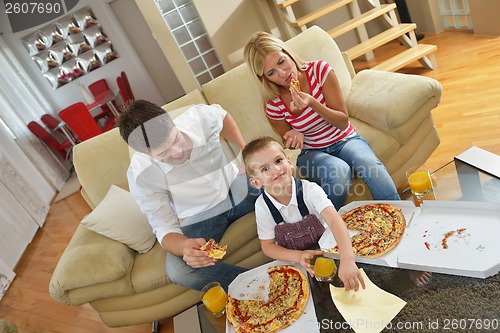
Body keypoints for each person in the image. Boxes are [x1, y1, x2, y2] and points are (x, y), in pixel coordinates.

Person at [244, 32, 431, 287]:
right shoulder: (274, 103)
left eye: (281, 62)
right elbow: (286, 139)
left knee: (370, 166)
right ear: (264, 78)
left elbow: (342, 120)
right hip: (313, 152)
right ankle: (335, 244)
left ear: (287, 54)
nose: (282, 73)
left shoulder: (320, 71)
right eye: (271, 73)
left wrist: (311, 104)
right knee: (339, 172)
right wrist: (293, 134)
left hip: (345, 138)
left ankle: (407, 247)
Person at [117, 100, 260, 291]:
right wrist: (184, 246)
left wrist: (245, 152)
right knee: (179, 271)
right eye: (164, 153)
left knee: (287, 186)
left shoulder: (199, 118)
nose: (178, 152)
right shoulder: (141, 175)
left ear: (172, 123)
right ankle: (258, 286)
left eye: (176, 140)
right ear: (147, 154)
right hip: (201, 217)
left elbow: (222, 116)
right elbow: (163, 226)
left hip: (235, 185)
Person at [242, 136, 365, 291]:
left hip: (328, 250)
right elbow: (268, 247)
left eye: (278, 161)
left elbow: (335, 221)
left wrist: (347, 258)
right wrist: (298, 256)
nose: (276, 169)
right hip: (296, 262)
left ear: (289, 161)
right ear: (256, 183)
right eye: (265, 169)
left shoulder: (310, 190)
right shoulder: (262, 206)